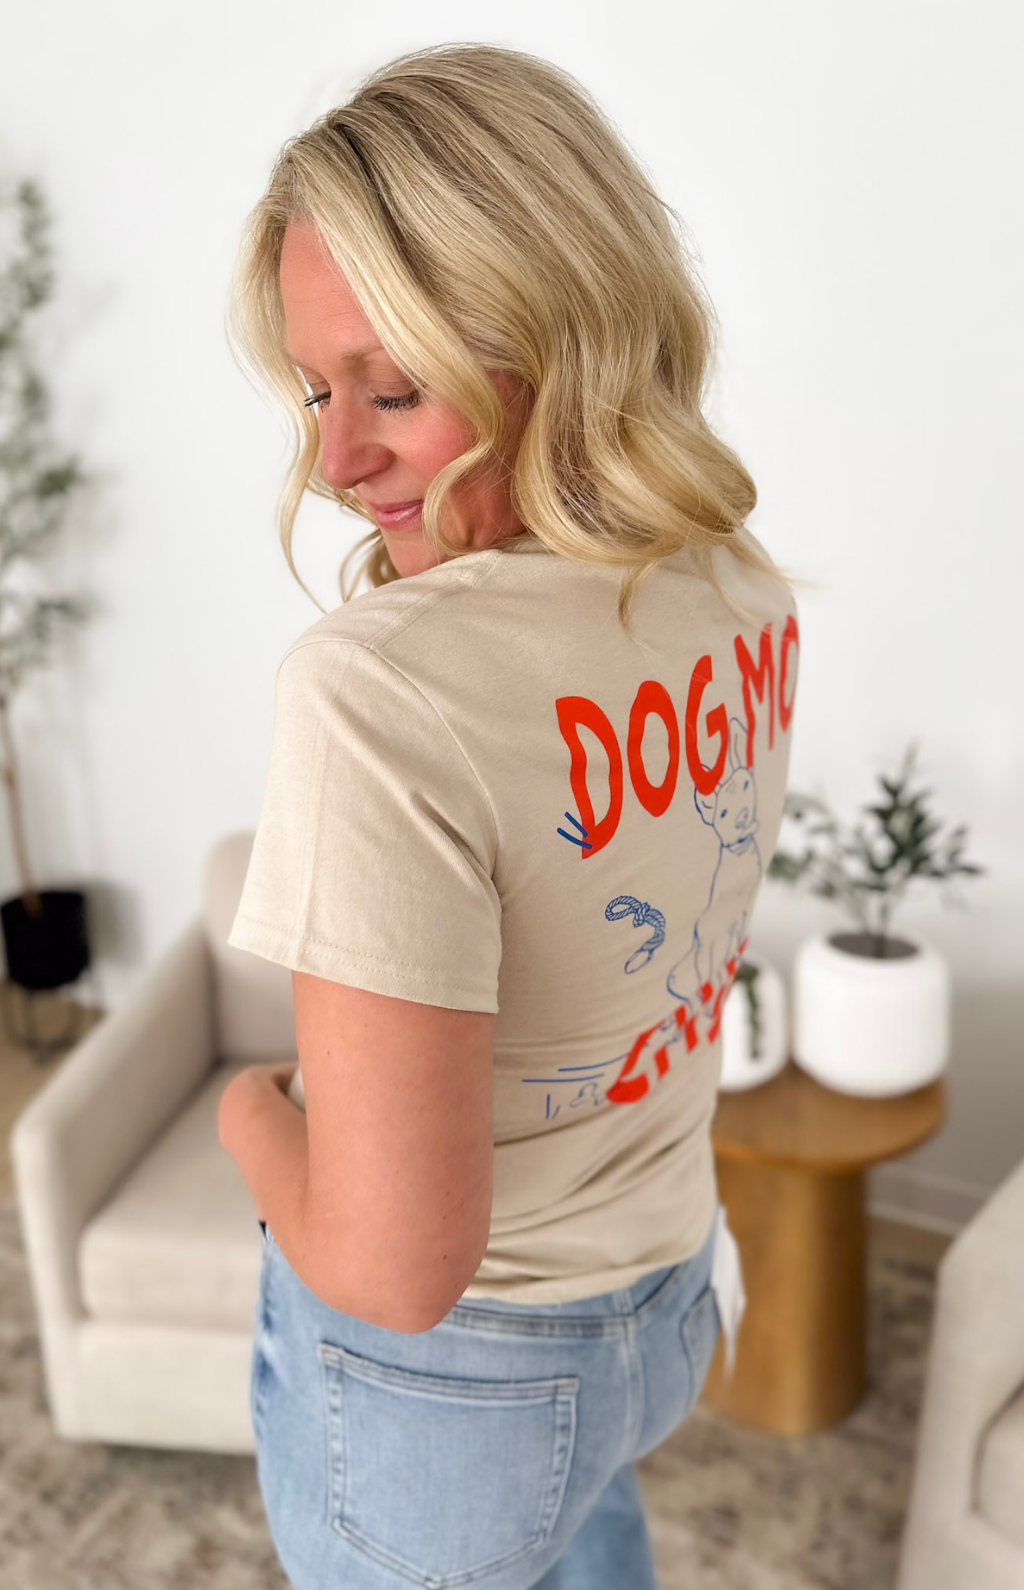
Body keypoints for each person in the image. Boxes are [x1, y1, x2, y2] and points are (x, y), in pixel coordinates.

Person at [218, 41, 801, 1590]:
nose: (334, 460)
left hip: (455, 1399)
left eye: (394, 388)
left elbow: (395, 1267)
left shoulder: (379, 690)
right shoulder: (733, 578)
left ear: (564, 336)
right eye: (315, 389)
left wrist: (247, 1116)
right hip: (666, 1297)